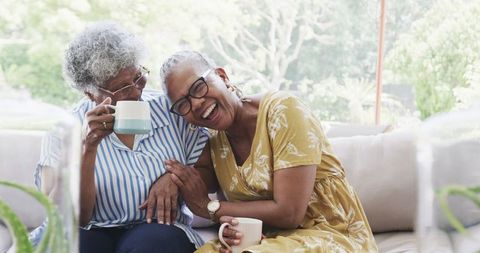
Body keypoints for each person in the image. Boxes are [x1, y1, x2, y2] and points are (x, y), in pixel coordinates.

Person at [157, 50, 379, 252]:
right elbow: (239, 211)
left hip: (331, 235)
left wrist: (209, 208)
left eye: (198, 87)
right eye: (182, 104)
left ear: (222, 76)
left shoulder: (285, 110)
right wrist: (231, 229)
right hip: (270, 241)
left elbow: (289, 213)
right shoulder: (214, 140)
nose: (195, 104)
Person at [30, 23, 208, 253]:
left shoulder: (170, 110)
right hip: (91, 229)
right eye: (121, 88)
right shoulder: (65, 130)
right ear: (91, 93)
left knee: (152, 244)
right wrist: (88, 148)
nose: (136, 92)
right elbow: (71, 218)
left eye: (138, 77)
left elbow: (207, 167)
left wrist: (176, 178)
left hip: (158, 229)